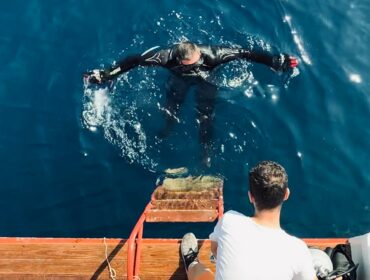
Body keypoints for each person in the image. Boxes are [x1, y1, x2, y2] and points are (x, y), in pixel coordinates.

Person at [85, 43, 298, 166]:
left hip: (207, 80)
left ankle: (205, 150)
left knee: (205, 116)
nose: (196, 63)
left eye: (197, 61)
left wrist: (274, 61)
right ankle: (167, 129)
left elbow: (246, 53)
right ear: (179, 60)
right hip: (179, 80)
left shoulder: (214, 55)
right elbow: (134, 60)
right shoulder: (165, 57)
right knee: (171, 108)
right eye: (191, 63)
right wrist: (107, 74)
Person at [180, 161, 321, 280]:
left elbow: (215, 249)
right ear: (286, 194)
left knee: (201, 272)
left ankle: (191, 262)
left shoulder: (230, 221)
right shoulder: (298, 250)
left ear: (250, 196)